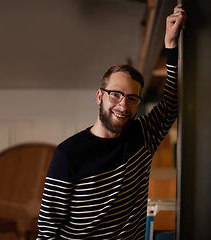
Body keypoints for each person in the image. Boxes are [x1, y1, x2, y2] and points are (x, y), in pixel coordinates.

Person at [37, 4, 187, 240]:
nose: (123, 106)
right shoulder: (68, 154)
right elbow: (47, 232)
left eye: (132, 98)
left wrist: (170, 45)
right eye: (115, 94)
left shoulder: (143, 135)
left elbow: (171, 104)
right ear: (100, 96)